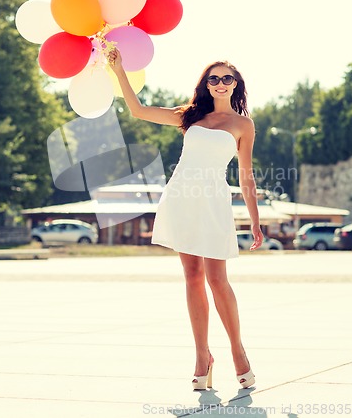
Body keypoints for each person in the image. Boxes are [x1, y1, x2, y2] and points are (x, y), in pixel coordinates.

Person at [109, 49, 263, 390]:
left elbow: (246, 176)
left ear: (236, 85)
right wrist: (119, 69)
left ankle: (238, 352)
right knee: (192, 277)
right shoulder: (189, 116)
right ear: (206, 84)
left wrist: (254, 219)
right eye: (214, 78)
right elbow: (137, 111)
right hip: (181, 197)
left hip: (212, 201)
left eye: (227, 78)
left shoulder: (242, 125)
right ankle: (201, 356)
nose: (220, 83)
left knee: (217, 279)